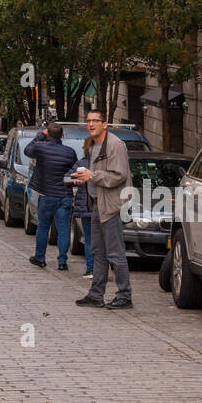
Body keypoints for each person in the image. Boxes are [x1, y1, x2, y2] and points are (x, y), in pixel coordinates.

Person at [73, 110, 133, 309]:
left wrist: (92, 176)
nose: (91, 124)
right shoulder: (92, 145)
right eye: (88, 121)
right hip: (97, 204)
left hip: (112, 205)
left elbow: (118, 175)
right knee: (98, 251)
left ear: (104, 124)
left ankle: (125, 296)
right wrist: (83, 177)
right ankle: (96, 294)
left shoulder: (115, 144)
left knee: (115, 253)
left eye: (95, 121)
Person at [24, 123, 78, 271]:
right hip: (64, 195)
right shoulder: (70, 152)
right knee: (64, 229)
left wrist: (41, 135)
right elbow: (74, 172)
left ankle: (40, 258)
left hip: (47, 194)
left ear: (48, 133)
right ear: (62, 135)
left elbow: (27, 150)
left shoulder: (40, 148)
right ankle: (62, 261)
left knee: (43, 227)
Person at [72, 138, 95, 279]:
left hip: (86, 206)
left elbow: (68, 177)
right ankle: (100, 268)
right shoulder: (104, 164)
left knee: (89, 239)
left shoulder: (81, 163)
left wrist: (74, 179)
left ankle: (91, 269)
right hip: (101, 207)